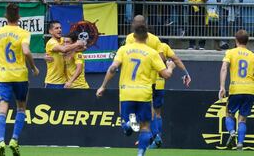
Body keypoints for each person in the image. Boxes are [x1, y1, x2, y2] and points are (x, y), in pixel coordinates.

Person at [96, 24, 175, 156]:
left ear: (133, 35)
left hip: (127, 92)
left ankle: (128, 123)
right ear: (147, 37)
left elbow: (112, 68)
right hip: (144, 93)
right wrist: (171, 67)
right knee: (145, 126)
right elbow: (165, 75)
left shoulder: (123, 50)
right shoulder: (152, 53)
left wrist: (103, 86)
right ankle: (140, 154)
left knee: (126, 123)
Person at [0, 3, 39, 156]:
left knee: (2, 110)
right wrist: (34, 67)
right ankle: (14, 140)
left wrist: (1, 60)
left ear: (5, 17)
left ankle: (1, 141)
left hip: (3, 76)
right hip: (20, 76)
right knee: (21, 108)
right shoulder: (23, 33)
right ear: (19, 17)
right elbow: (26, 51)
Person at [150, 42, 191, 148]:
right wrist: (186, 73)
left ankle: (152, 137)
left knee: (147, 111)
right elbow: (176, 59)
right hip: (159, 83)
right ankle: (156, 138)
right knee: (157, 113)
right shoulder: (163, 46)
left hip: (146, 83)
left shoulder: (142, 46)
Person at [219, 29, 254, 150]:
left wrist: (222, 86)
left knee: (229, 114)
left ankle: (232, 131)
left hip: (236, 88)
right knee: (243, 119)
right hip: (250, 90)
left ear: (236, 40)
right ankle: (240, 143)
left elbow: (224, 68)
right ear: (247, 41)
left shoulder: (231, 52)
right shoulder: (252, 55)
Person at [45, 21, 85, 89]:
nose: (60, 30)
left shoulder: (63, 40)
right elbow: (64, 49)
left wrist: (74, 48)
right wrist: (77, 44)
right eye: (56, 28)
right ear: (50, 31)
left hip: (64, 82)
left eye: (60, 28)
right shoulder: (51, 42)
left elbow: (84, 47)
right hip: (53, 82)